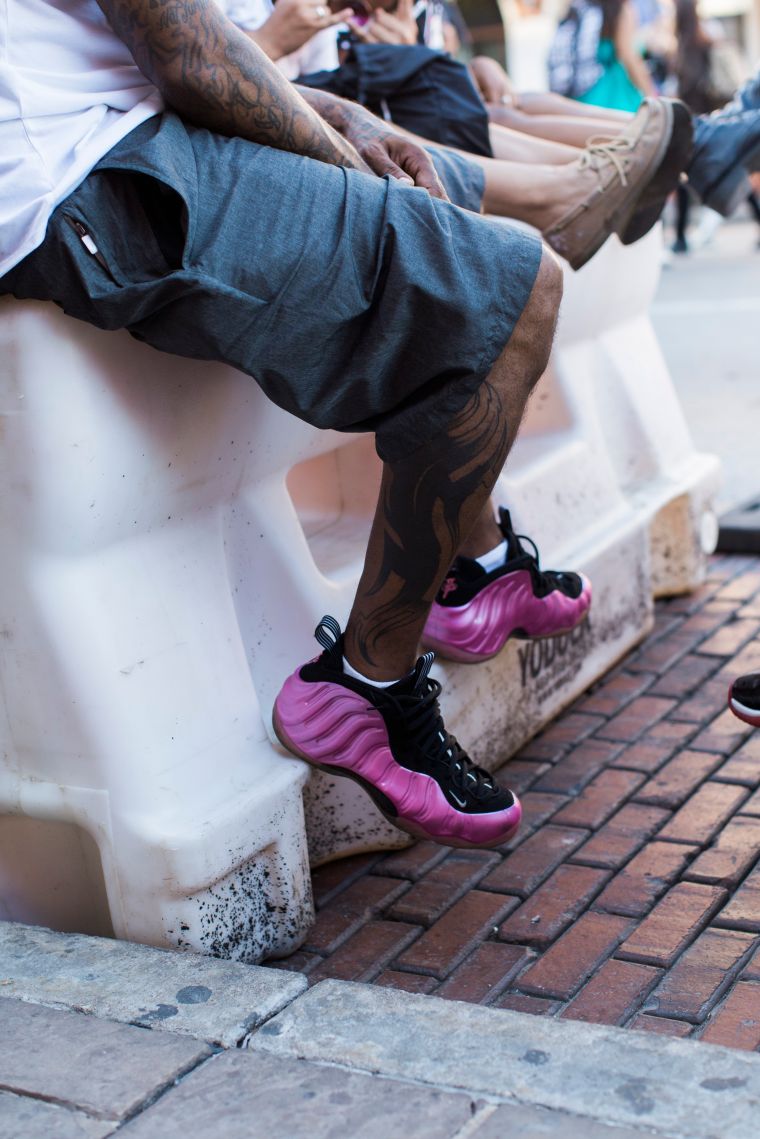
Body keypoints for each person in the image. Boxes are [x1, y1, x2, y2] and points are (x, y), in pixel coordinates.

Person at [0, 0, 707, 852]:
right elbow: (188, 54)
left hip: (128, 144)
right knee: (520, 292)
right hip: (89, 184)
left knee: (491, 268)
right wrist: (344, 159)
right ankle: (369, 677)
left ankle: (466, 571)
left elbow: (192, 50)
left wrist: (344, 120)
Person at [548, 0, 656, 113]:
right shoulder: (620, 9)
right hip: (611, 95)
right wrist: (651, 94)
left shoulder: (580, 5)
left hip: (575, 95)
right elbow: (628, 56)